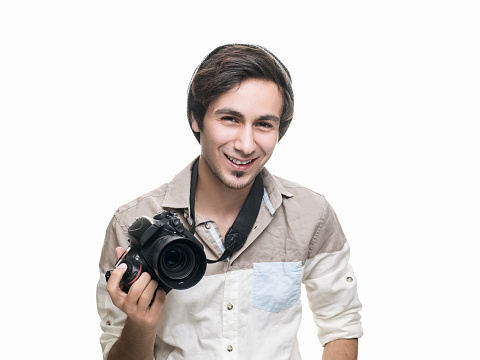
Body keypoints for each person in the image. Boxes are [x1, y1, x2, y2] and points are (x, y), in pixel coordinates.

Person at [96, 44, 363, 360]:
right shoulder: (133, 221)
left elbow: (341, 327)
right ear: (196, 119)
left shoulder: (312, 215)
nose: (247, 145)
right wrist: (140, 326)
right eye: (230, 119)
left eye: (264, 124)